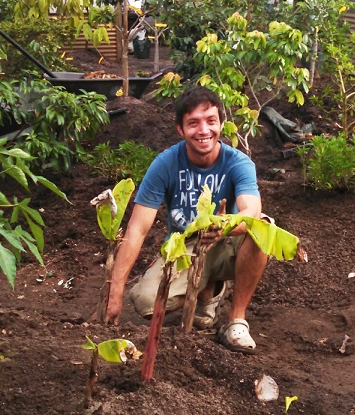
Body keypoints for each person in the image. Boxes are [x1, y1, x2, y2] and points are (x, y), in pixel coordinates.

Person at [105, 86, 269, 353]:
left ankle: (236, 320)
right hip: (186, 247)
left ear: (221, 124)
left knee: (263, 227)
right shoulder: (166, 164)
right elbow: (137, 228)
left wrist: (223, 225)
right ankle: (209, 293)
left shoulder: (238, 163)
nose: (203, 130)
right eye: (193, 123)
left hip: (228, 241)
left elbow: (251, 211)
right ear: (180, 130)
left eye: (211, 121)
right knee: (146, 303)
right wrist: (115, 291)